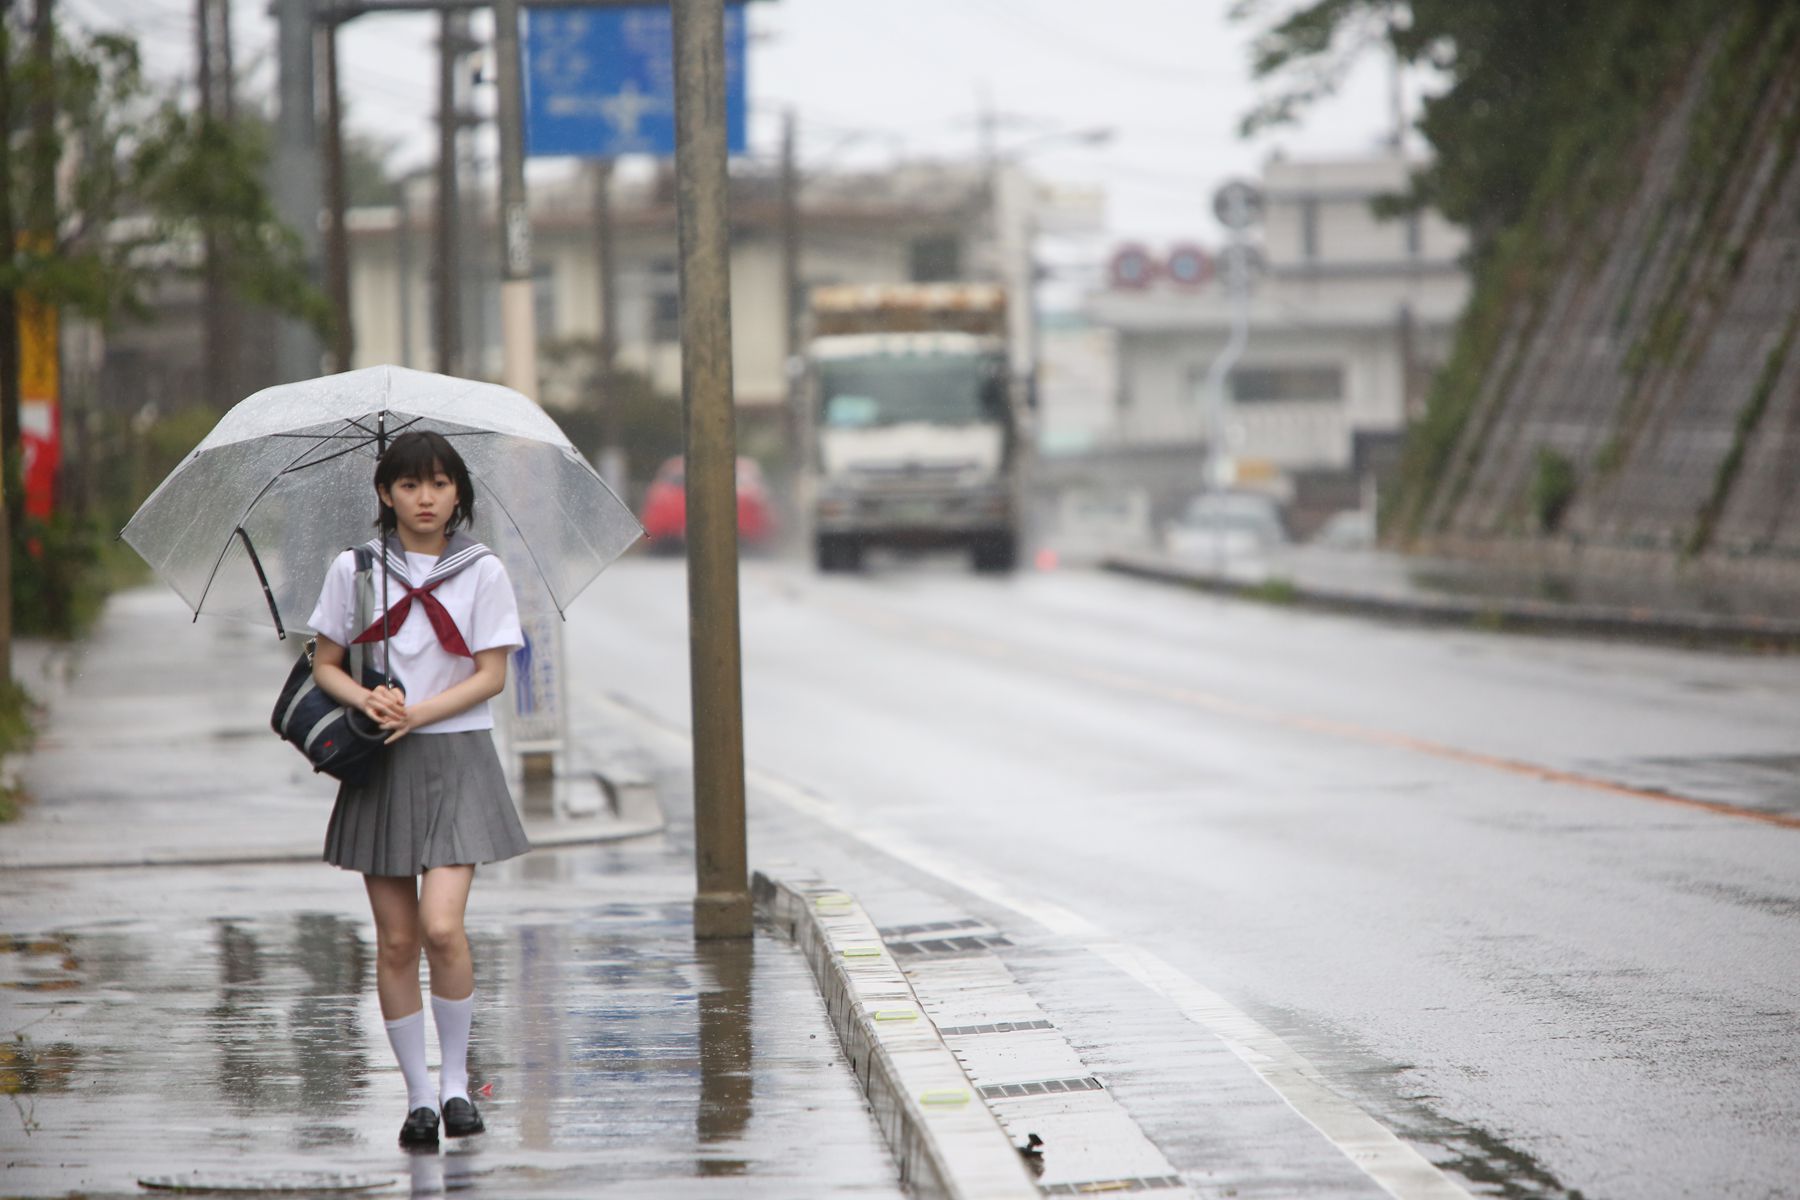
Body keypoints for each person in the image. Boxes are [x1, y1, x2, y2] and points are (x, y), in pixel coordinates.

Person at [307, 429, 530, 1151]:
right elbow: (326, 664)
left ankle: (459, 1082)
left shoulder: (483, 570)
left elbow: (492, 674)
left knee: (442, 927)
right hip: (382, 765)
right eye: (408, 485)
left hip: (458, 757)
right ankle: (420, 1098)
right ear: (385, 493)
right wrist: (368, 703)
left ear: (458, 491)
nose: (425, 497)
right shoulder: (356, 569)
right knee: (398, 940)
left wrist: (418, 711)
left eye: (438, 483)